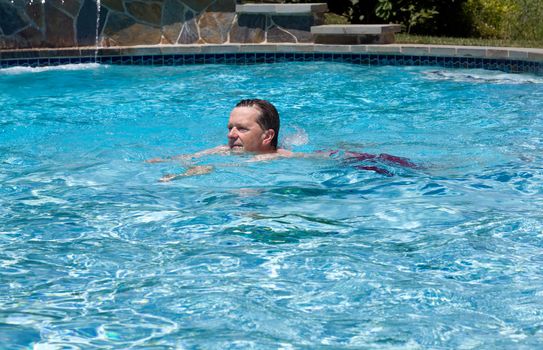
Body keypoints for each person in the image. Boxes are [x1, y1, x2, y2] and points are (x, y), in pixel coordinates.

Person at [148, 99, 295, 181]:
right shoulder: (222, 150)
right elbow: (188, 158)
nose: (231, 135)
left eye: (242, 129)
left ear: (267, 136)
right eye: (230, 128)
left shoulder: (284, 158)